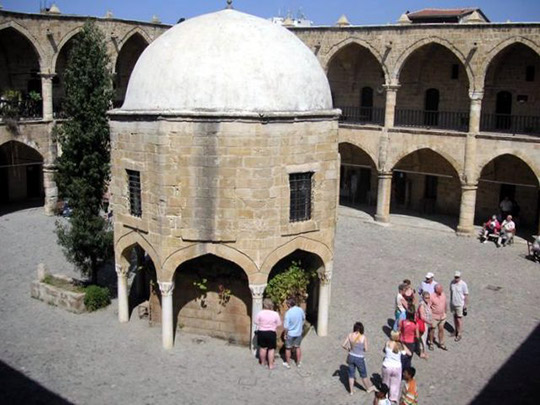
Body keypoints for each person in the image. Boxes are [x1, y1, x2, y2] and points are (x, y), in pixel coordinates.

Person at [342, 322, 375, 394]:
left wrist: (348, 349)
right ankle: (368, 388)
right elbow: (366, 349)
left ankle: (351, 391)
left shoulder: (350, 335)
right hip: (359, 358)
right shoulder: (363, 337)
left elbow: (343, 345)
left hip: (351, 356)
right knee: (363, 374)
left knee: (351, 375)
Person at [382, 331, 411, 403]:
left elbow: (384, 350)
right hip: (397, 367)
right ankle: (393, 398)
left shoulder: (387, 343)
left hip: (387, 365)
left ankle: (384, 396)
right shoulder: (400, 345)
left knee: (385, 382)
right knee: (395, 383)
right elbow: (409, 353)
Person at [254, 298, 281, 369]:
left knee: (263, 348)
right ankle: (271, 365)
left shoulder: (260, 313)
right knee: (271, 349)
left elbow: (256, 322)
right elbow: (279, 324)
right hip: (271, 332)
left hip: (262, 332)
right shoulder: (275, 314)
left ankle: (262, 362)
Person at [283, 297, 305, 369]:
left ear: (289, 304)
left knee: (288, 348)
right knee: (297, 347)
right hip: (298, 332)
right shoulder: (300, 310)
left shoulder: (288, 313)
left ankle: (288, 363)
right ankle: (298, 363)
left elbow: (286, 327)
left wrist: (285, 334)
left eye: (287, 303)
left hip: (290, 333)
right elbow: (303, 318)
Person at [450, 271, 469, 342]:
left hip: (460, 304)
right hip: (453, 303)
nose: (456, 278)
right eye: (455, 277)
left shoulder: (463, 284)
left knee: (459, 319)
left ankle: (459, 333)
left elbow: (466, 295)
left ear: (460, 277)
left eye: (457, 277)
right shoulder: (452, 283)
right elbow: (451, 292)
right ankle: (455, 331)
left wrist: (465, 305)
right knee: (454, 317)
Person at [429, 284, 447, 350]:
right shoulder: (431, 297)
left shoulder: (443, 294)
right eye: (440, 289)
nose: (442, 290)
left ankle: (441, 343)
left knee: (441, 329)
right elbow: (429, 307)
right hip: (434, 317)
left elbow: (445, 303)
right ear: (436, 290)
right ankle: (431, 343)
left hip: (442, 316)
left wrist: (445, 312)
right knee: (432, 330)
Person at [417, 291, 432, 358]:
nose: (428, 299)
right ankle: (423, 353)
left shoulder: (427, 303)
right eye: (426, 298)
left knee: (423, 338)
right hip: (423, 324)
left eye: (428, 298)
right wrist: (429, 322)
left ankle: (422, 352)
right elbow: (422, 317)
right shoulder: (422, 305)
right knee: (423, 339)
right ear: (423, 297)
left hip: (426, 323)